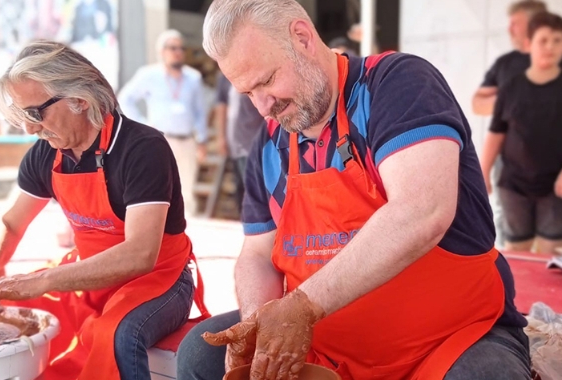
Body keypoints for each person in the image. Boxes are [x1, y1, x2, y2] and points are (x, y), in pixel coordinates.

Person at [177, 1, 530, 380]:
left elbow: (423, 210)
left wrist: (303, 305)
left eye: (265, 81)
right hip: (326, 345)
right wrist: (259, 327)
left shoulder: (397, 84)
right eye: (248, 93)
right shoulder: (270, 142)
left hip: (447, 340)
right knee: (199, 355)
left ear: (301, 37)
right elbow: (258, 255)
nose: (263, 107)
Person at [0, 41, 208, 380]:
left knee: (117, 334)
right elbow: (10, 224)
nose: (30, 129)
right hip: (87, 276)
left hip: (160, 280)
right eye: (22, 116)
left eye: (35, 113)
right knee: (8, 316)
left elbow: (140, 254)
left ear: (78, 100)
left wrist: (41, 281)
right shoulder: (45, 153)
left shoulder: (142, 148)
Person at [480, 12, 562, 255]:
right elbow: (496, 133)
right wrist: (483, 172)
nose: (550, 47)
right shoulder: (510, 87)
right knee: (517, 250)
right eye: (543, 40)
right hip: (513, 184)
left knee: (549, 252)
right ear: (528, 45)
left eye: (557, 40)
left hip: (554, 188)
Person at [118, 30, 208, 216]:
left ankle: (186, 236)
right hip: (160, 141)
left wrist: (203, 139)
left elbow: (200, 112)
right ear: (161, 51)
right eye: (172, 48)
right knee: (158, 186)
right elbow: (125, 99)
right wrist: (143, 126)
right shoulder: (149, 75)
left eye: (181, 48)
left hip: (186, 141)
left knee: (187, 190)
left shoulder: (193, 78)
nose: (178, 52)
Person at [214, 72, 265, 211]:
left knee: (253, 187)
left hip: (255, 140)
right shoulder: (224, 77)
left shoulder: (254, 72)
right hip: (235, 141)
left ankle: (258, 223)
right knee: (240, 186)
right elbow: (221, 106)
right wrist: (221, 137)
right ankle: (245, 223)